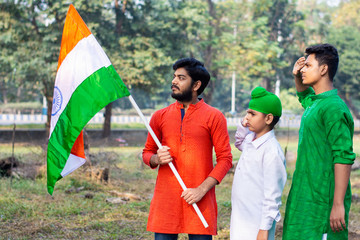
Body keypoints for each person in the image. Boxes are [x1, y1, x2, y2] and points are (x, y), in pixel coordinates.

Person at [142, 58, 233, 240]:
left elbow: (225, 159)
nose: (174, 81)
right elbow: (147, 153)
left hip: (200, 199)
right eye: (174, 76)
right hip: (166, 200)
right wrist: (156, 159)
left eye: (181, 78)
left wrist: (201, 189)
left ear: (196, 85)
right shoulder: (160, 116)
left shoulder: (214, 116)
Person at [283, 43, 356, 240]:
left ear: (323, 69)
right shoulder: (316, 103)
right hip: (306, 196)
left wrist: (338, 204)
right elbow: (303, 95)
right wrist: (297, 75)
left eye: (308, 65)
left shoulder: (332, 107)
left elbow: (343, 156)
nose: (303, 69)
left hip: (322, 202)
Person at [230, 87, 287, 240]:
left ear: (268, 119)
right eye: (248, 112)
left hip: (257, 223)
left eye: (252, 114)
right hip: (241, 217)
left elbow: (273, 196)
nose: (247, 117)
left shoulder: (271, 152)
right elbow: (239, 141)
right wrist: (243, 126)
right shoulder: (250, 139)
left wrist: (264, 228)